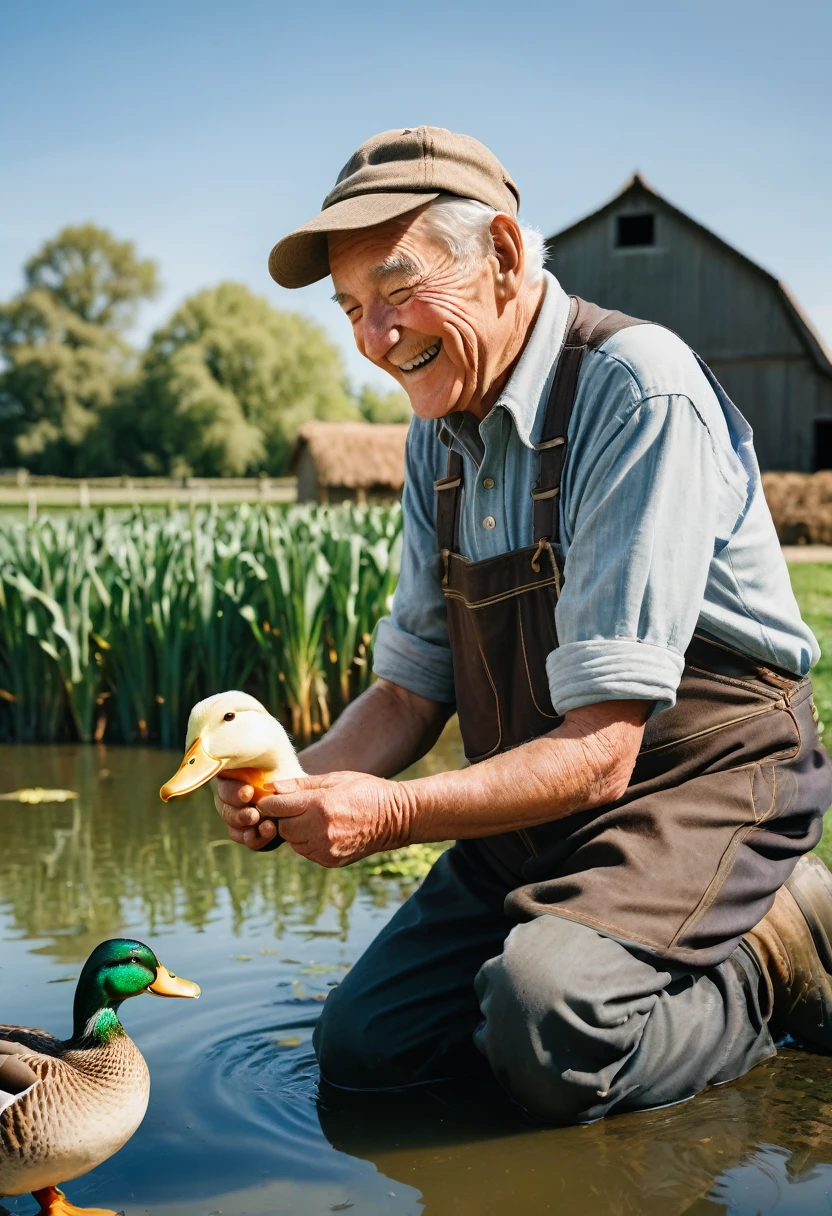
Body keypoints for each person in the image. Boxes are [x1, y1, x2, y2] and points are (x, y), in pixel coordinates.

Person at [216, 127, 832, 1123]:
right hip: (536, 798)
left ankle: (771, 945)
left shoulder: (635, 388)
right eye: (350, 309)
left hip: (703, 784)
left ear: (501, 253)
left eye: (397, 286)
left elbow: (601, 754)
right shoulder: (437, 436)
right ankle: (598, 965)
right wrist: (296, 781)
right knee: (367, 1050)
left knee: (546, 1026)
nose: (374, 339)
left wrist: (390, 812)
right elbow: (412, 688)